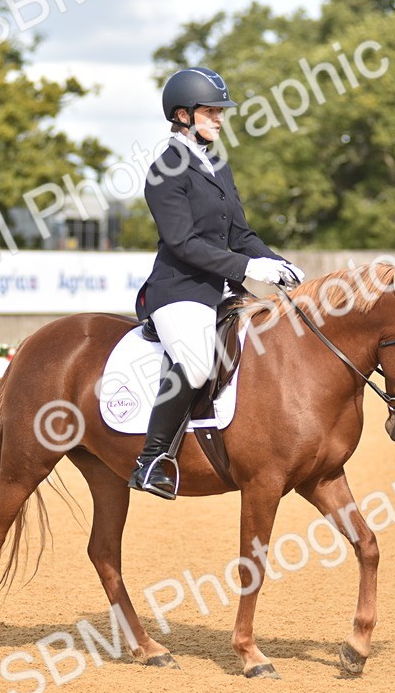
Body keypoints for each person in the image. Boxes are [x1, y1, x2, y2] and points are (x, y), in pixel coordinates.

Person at [129, 66, 303, 500]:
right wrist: (244, 270)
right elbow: (183, 242)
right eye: (211, 111)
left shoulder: (217, 164)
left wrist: (277, 263)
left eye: (220, 111)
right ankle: (152, 459)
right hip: (179, 290)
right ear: (183, 114)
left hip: (222, 289)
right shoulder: (164, 170)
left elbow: (240, 234)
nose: (220, 118)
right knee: (195, 360)